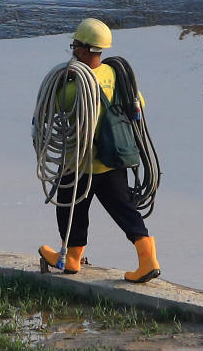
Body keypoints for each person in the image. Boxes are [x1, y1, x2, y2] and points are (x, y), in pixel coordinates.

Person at [38, 19, 160, 283]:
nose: (73, 50)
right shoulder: (117, 75)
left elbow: (52, 109)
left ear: (82, 49)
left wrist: (64, 81)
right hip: (112, 159)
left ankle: (71, 259)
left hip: (79, 163)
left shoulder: (71, 87)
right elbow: (139, 103)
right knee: (125, 208)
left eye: (75, 45)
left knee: (70, 208)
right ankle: (148, 259)